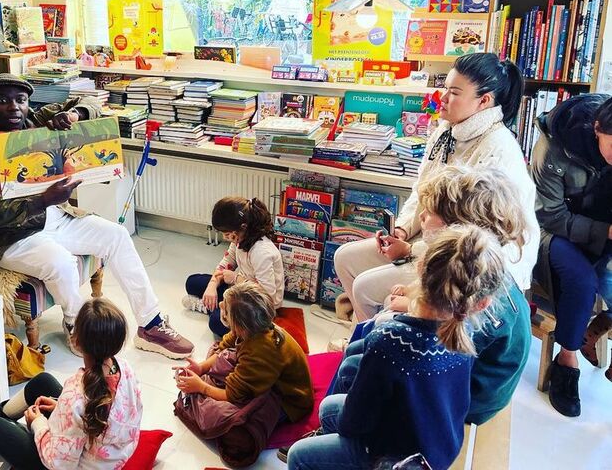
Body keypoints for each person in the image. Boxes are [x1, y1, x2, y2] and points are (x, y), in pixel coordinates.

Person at [0, 73, 193, 359]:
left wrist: (73, 114)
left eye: (21, 100)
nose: (14, 107)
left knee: (116, 235)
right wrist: (41, 200)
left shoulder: (36, 122)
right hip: (7, 237)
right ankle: (75, 324)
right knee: (61, 263)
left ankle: (151, 324)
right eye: (2, 101)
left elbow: (92, 101)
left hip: (54, 217)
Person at [334, 52, 540, 321]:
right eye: (445, 88)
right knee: (345, 257)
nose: (442, 98)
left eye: (454, 92)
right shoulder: (446, 132)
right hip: (434, 241)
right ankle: (365, 336)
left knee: (366, 287)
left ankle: (378, 342)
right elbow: (422, 190)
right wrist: (402, 229)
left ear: (484, 101)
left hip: (473, 264)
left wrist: (410, 250)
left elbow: (473, 242)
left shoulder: (497, 151)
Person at [286, 225, 507, 470]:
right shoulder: (466, 335)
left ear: (420, 267)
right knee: (329, 407)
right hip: (437, 449)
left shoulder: (389, 340)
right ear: (482, 303)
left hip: (395, 460)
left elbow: (355, 423)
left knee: (299, 455)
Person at [324, 166, 531, 427]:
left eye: (430, 213)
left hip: (464, 401)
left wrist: (403, 316)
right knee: (360, 351)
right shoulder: (476, 268)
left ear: (458, 226)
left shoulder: (478, 300)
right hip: (461, 378)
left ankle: (341, 431)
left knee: (364, 360)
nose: (421, 216)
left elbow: (436, 353)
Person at [0, 298, 142, 468]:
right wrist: (62, 410)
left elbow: (59, 464)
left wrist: (38, 424)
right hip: (109, 455)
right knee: (43, 382)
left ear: (76, 341)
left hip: (67, 464)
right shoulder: (125, 370)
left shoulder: (75, 395)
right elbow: (98, 412)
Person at [530, 93, 612, 417]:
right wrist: (604, 232)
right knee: (581, 280)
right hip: (554, 232)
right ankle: (567, 356)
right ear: (596, 128)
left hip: (602, 229)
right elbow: (549, 216)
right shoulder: (553, 147)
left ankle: (594, 330)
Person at [175, 281, 313, 427]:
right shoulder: (252, 327)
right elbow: (223, 347)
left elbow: (232, 396)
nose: (220, 306)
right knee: (220, 358)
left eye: (226, 309)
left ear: (239, 324)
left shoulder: (259, 350)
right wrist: (201, 368)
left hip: (288, 402)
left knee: (220, 416)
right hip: (264, 375)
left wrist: (202, 387)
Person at [182, 197, 284, 336]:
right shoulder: (241, 239)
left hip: (259, 304)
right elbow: (226, 264)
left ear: (242, 228)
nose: (225, 238)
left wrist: (236, 278)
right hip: (240, 290)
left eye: (227, 234)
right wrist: (212, 285)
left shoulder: (262, 252)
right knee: (192, 282)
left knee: (216, 322)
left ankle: (211, 308)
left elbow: (267, 294)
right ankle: (215, 305)